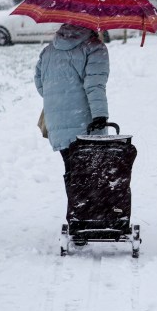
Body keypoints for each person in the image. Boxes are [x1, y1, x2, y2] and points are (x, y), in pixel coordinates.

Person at [34, 23, 110, 215]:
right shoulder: (94, 48)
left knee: (72, 170)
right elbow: (95, 86)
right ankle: (91, 217)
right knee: (91, 171)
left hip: (57, 121)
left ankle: (77, 216)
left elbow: (40, 84)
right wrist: (100, 115)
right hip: (86, 122)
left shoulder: (48, 51)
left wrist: (59, 102)